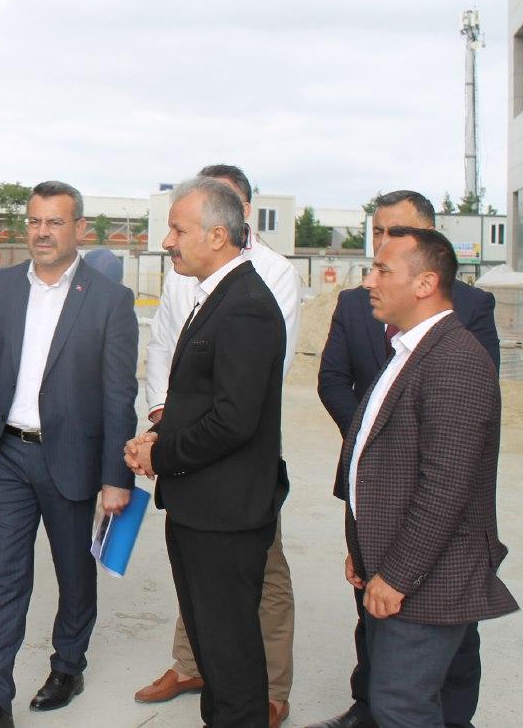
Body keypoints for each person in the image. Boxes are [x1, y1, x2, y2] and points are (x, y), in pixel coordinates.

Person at [0, 181, 139, 728]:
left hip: (72, 459)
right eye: (34, 221)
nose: (42, 232)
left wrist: (116, 476)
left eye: (55, 222)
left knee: (74, 574)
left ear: (79, 229)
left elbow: (118, 394)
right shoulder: (3, 288)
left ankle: (68, 665)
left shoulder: (109, 299)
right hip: (5, 455)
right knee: (3, 577)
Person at [311, 191, 499, 728]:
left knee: (403, 704)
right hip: (391, 554)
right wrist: (364, 549)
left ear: (424, 283)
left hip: (427, 574)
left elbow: (445, 485)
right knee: (394, 693)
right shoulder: (408, 351)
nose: (369, 280)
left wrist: (394, 575)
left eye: (382, 270)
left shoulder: (454, 360)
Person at [139, 164, 302, 727]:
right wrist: (157, 434)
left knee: (231, 659)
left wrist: (160, 454)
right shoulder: (215, 294)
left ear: (216, 235)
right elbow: (198, 397)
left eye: (178, 229)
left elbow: (234, 420)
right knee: (212, 649)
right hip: (200, 507)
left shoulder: (248, 304)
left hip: (226, 515)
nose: (167, 241)